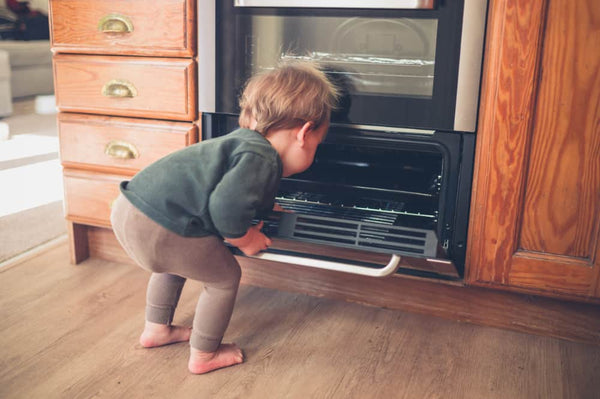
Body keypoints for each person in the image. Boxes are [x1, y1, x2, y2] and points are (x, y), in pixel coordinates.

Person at [110, 60, 339, 374]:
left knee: (172, 264)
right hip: (161, 227)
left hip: (130, 211)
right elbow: (225, 210)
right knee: (224, 278)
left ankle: (157, 329)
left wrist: (266, 210)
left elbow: (238, 191)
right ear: (304, 133)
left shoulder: (243, 144)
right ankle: (205, 355)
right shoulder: (263, 157)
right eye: (317, 145)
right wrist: (246, 239)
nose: (314, 150)